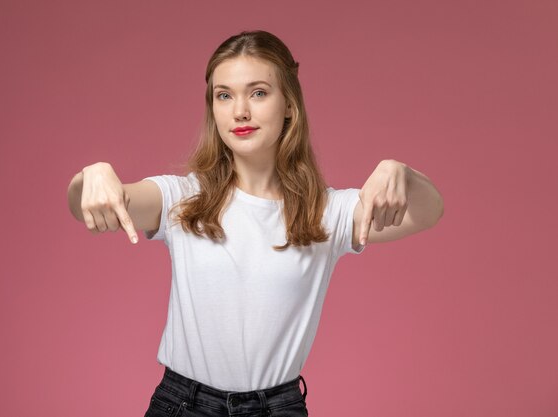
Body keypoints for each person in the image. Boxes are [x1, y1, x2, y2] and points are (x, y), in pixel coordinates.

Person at [67, 30, 444, 417]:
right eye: (224, 95)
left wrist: (400, 172)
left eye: (259, 92)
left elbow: (428, 212)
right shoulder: (182, 198)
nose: (240, 111)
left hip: (277, 408)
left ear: (289, 106)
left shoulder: (326, 212)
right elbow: (89, 205)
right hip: (183, 405)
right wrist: (91, 175)